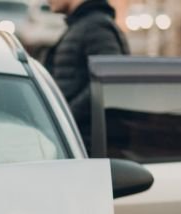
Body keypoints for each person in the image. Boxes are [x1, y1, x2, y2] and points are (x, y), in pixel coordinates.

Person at [45, 0, 130, 148]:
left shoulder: (96, 27)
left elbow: (108, 82)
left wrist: (65, 117)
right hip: (76, 140)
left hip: (87, 145)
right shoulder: (82, 25)